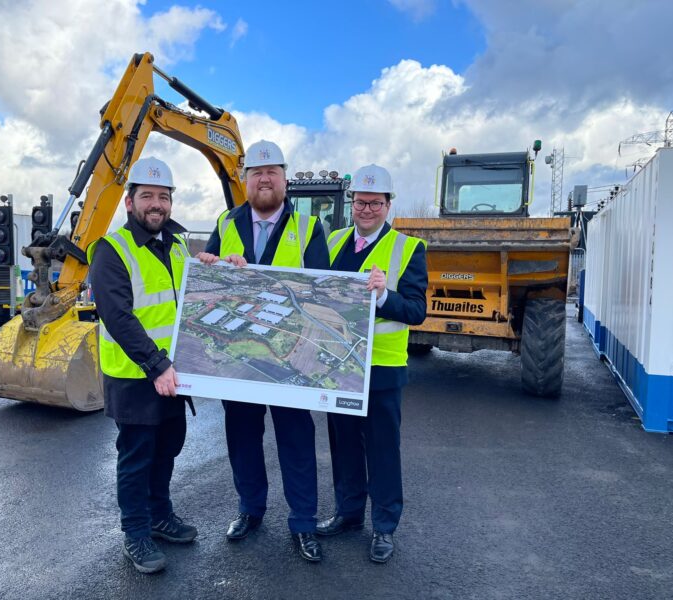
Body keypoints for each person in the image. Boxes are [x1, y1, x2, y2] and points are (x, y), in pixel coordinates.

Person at [197, 140, 330, 562]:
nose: (264, 179)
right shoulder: (227, 221)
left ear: (284, 179)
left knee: (296, 440)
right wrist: (211, 265)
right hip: (242, 356)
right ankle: (250, 510)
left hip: (289, 355)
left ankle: (304, 523)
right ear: (245, 180)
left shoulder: (309, 229)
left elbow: (321, 291)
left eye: (272, 171)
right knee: (242, 438)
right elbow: (210, 285)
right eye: (256, 172)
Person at [88, 157, 197, 575]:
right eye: (147, 196)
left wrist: (220, 269)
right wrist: (156, 364)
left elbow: (188, 296)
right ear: (130, 202)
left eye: (163, 197)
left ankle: (160, 515)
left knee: (168, 449)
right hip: (136, 376)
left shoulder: (179, 245)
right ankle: (136, 532)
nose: (156, 204)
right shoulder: (112, 250)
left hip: (173, 372)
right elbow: (118, 316)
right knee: (137, 457)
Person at [315, 164, 428, 563]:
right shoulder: (333, 241)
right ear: (352, 203)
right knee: (343, 446)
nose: (366, 209)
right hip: (338, 367)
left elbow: (417, 310)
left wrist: (383, 297)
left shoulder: (408, 249)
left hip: (381, 369)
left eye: (375, 203)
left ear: (388, 205)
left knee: (382, 450)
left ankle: (384, 526)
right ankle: (347, 514)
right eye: (360, 202)